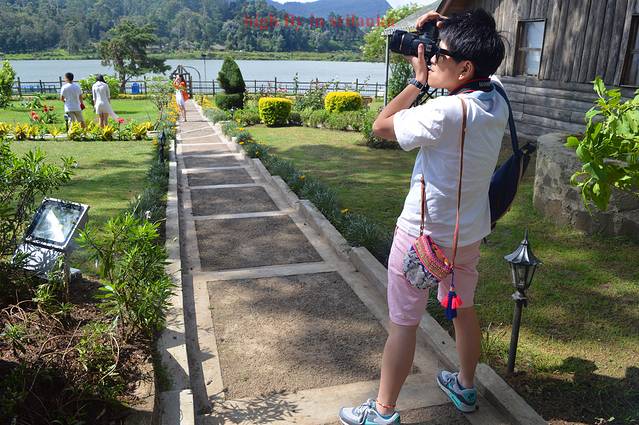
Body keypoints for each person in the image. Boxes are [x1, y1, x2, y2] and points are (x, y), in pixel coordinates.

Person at [339, 9, 507, 424]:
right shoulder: (497, 97)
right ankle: (465, 386)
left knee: (404, 323)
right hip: (466, 236)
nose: (430, 58)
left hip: (422, 239)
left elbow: (381, 126)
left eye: (438, 54)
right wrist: (446, 30)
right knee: (462, 308)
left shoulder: (444, 113)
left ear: (465, 69)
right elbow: (479, 56)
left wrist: (416, 82)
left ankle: (383, 412)